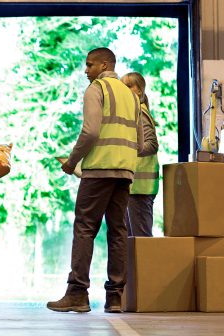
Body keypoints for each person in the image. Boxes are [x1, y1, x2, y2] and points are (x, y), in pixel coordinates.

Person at [46, 48, 158, 314]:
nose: (86, 70)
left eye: (89, 65)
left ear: (104, 64)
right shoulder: (131, 96)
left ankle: (77, 294)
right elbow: (141, 143)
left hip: (98, 172)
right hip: (124, 174)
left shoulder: (97, 89)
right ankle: (115, 298)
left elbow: (91, 131)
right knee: (117, 232)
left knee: (85, 228)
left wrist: (72, 162)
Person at [120, 72, 160, 237]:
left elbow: (152, 145)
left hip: (141, 188)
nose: (125, 90)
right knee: (131, 240)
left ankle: (147, 264)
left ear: (140, 90)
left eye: (129, 86)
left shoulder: (140, 113)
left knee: (141, 240)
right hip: (134, 187)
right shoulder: (134, 112)